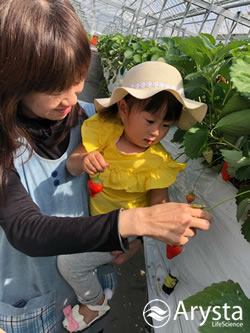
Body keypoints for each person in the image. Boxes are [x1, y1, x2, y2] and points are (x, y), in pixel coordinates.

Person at [0, 1, 212, 332]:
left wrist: (139, 235)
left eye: (79, 79)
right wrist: (132, 221)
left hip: (89, 289)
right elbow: (26, 228)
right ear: (14, 82)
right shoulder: (5, 146)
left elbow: (144, 193)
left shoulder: (97, 121)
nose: (71, 98)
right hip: (32, 306)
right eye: (55, 88)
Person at [57, 61, 209, 332]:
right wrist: (85, 160)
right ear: (124, 109)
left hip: (120, 233)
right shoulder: (104, 131)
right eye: (150, 121)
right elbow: (71, 165)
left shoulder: (158, 161)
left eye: (166, 125)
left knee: (68, 264)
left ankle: (94, 302)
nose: (156, 132)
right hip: (92, 222)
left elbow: (158, 207)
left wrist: (173, 224)